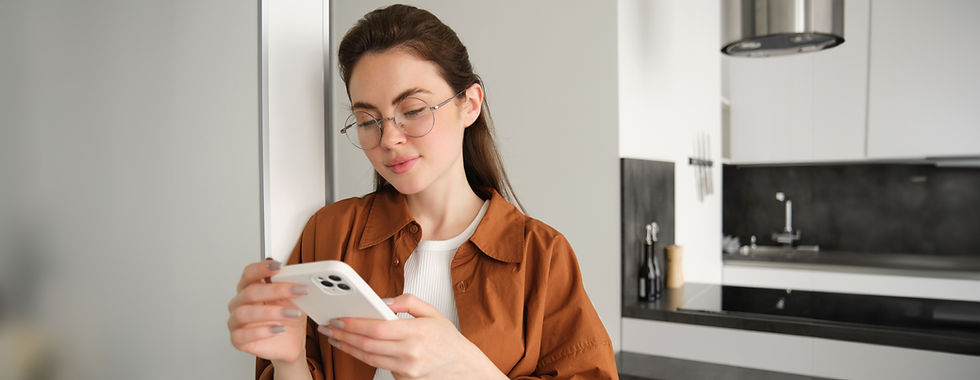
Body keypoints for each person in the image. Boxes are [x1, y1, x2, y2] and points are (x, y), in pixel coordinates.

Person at [227, 4, 618, 379]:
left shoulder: (542, 256)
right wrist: (290, 361)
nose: (389, 139)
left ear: (470, 104)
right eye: (367, 120)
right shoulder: (329, 233)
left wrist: (471, 370)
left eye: (413, 110)